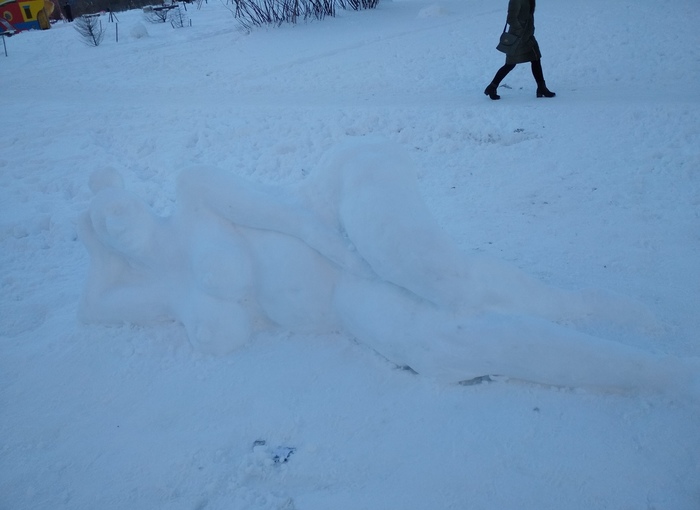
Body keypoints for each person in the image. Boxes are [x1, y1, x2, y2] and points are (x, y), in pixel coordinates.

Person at [78, 138, 694, 395]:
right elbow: (94, 308)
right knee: (443, 346)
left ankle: (586, 308)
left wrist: (349, 250)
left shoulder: (193, 194)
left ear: (127, 191)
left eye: (111, 208)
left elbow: (285, 212)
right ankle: (654, 372)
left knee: (441, 280)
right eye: (100, 228)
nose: (112, 223)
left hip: (337, 215)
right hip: (343, 302)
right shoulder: (168, 291)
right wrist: (94, 252)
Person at [484, 0, 555, 100]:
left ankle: (541, 88)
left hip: (528, 37)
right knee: (510, 64)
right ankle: (492, 87)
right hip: (519, 38)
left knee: (536, 59)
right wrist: (520, 29)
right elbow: (511, 19)